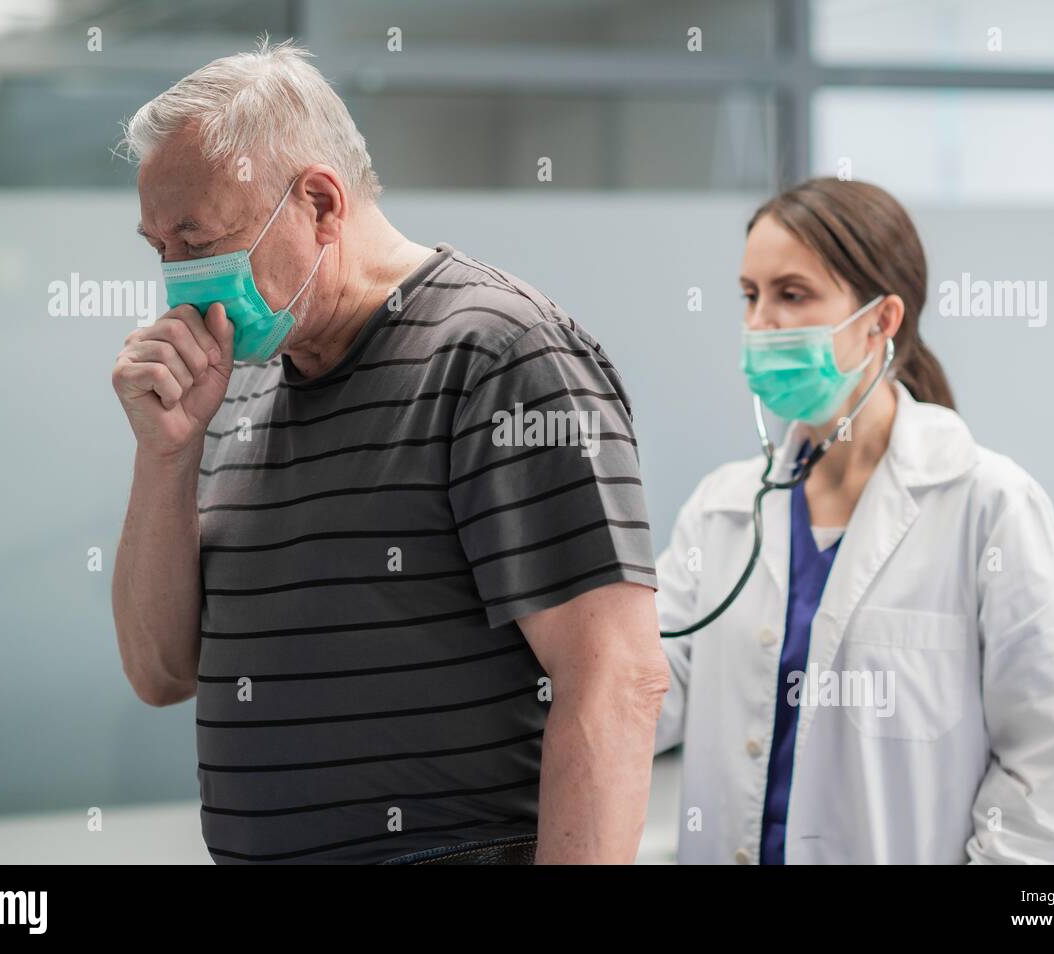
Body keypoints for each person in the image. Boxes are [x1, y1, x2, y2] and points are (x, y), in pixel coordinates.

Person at [109, 38, 668, 865]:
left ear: (322, 203)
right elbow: (161, 673)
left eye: (196, 241)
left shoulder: (499, 356)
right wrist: (165, 457)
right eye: (160, 250)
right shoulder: (242, 383)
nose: (179, 280)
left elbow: (617, 680)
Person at [654, 177, 1054, 864]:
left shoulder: (987, 506)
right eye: (750, 296)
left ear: (881, 319)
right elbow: (640, 695)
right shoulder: (722, 510)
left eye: (791, 294)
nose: (760, 325)